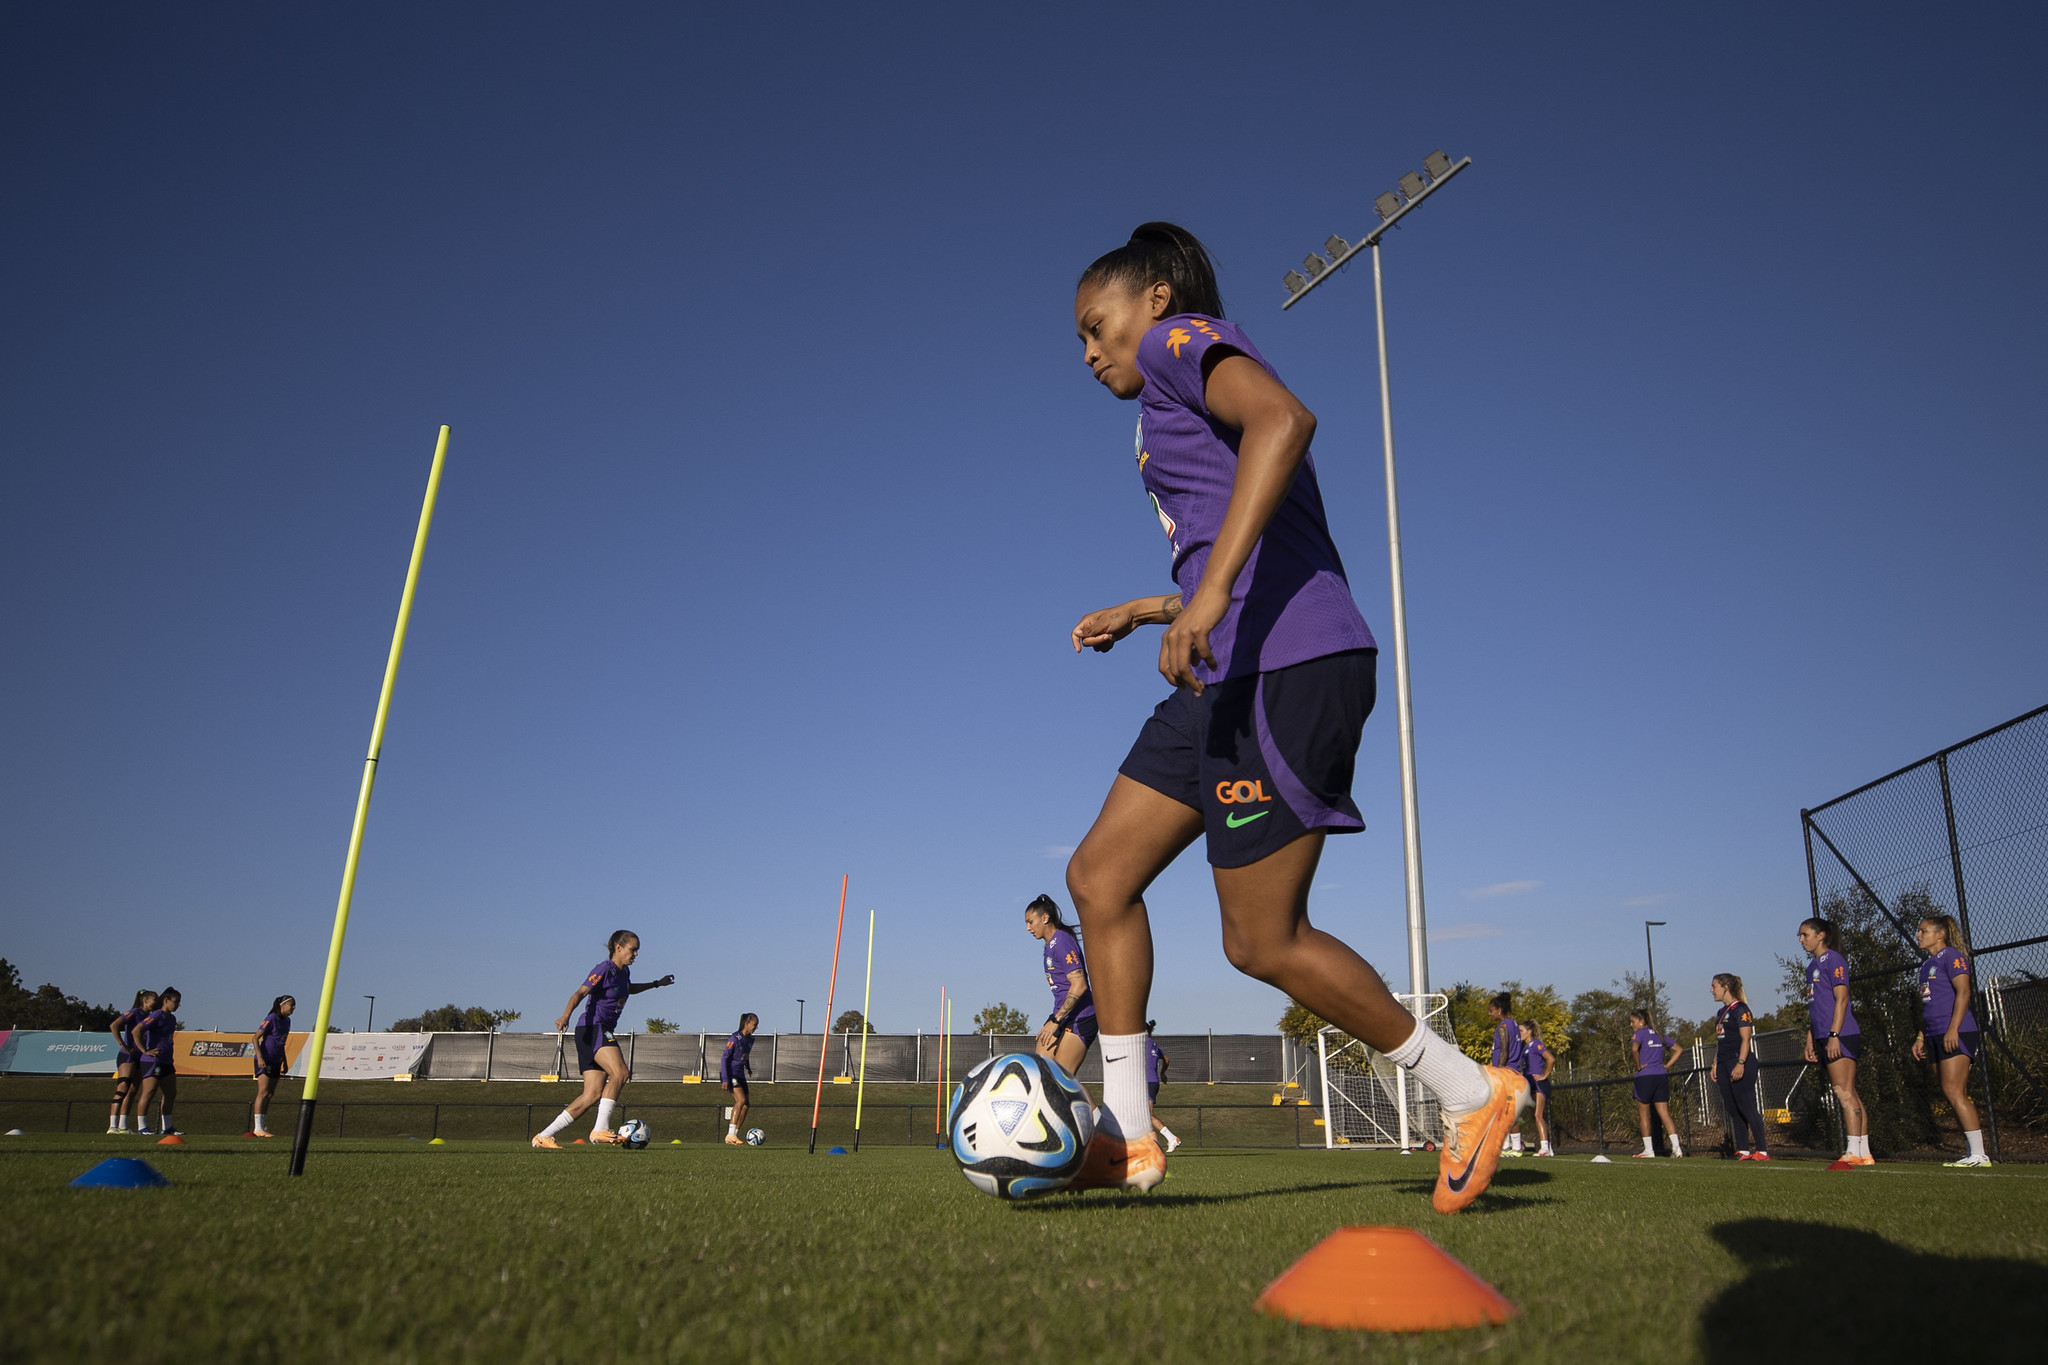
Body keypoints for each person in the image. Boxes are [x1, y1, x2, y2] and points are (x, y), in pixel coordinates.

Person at [1062, 223, 1526, 1211]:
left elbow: (1282, 421)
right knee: (1099, 877)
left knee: (1260, 941)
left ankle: (1468, 1089)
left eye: (1094, 326)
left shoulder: (1174, 344)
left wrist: (1202, 599)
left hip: (1291, 660)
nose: (1091, 352)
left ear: (1152, 297)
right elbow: (1237, 528)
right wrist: (1154, 605)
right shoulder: (1161, 397)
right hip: (1224, 670)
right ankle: (1128, 1137)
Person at [532, 931, 674, 1149]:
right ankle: (600, 1129)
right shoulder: (604, 969)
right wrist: (565, 1015)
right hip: (593, 1028)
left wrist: (656, 984)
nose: (635, 954)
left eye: (637, 950)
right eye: (632, 949)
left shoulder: (623, 973)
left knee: (592, 1094)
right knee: (621, 1073)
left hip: (592, 1032)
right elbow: (580, 992)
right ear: (618, 947)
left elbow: (629, 989)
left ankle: (543, 1135)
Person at [1910, 914, 1990, 1168]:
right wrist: (1921, 1036)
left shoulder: (1953, 956)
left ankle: (1979, 1155)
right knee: (1950, 1092)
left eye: (1923, 931)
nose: (1918, 935)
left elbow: (1964, 992)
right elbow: (1928, 1004)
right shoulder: (1926, 966)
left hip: (1955, 1031)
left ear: (1940, 934)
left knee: (1954, 1091)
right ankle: (1971, 1153)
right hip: (1933, 1034)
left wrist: (1953, 1029)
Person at [1799, 916, 1871, 1169]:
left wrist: (1833, 1035)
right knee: (1849, 1091)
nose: (1801, 940)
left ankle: (1853, 1150)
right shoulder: (1812, 967)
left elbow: (1841, 1000)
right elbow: (1817, 1006)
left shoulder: (1835, 960)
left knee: (1843, 1090)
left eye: (1805, 934)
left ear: (1821, 936)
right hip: (1822, 1035)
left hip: (1840, 1035)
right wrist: (1812, 1037)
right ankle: (1863, 1152)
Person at [1025, 894, 1096, 1077]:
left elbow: (1079, 985)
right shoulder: (1050, 945)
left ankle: (1093, 1108)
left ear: (1045, 917)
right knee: (1043, 1073)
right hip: (1062, 1013)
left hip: (1081, 1015)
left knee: (1062, 1079)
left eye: (1030, 922)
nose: (1028, 928)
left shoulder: (1062, 941)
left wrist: (1056, 1021)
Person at [1709, 974, 1769, 1162]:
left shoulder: (1741, 1009)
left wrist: (1740, 1063)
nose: (1711, 990)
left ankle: (1762, 1150)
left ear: (1725, 987)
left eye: (1714, 986)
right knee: (1733, 1107)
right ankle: (1743, 1150)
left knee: (1747, 1105)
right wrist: (1715, 1064)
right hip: (1724, 1064)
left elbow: (1746, 1039)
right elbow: (1722, 1043)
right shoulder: (1721, 1013)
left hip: (1739, 1062)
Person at [1629, 1008, 1683, 1158]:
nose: (1631, 1024)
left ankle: (1648, 1150)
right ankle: (1677, 1148)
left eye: (1632, 1021)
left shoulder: (1639, 1034)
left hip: (1645, 1077)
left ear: (1642, 1021)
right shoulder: (1659, 1034)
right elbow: (1679, 1050)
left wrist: (1638, 1065)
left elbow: (1634, 1049)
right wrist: (1667, 1065)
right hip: (1661, 1076)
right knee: (1665, 1113)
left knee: (1644, 1115)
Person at [132, 988, 182, 1137]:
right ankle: (142, 1127)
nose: (178, 1005)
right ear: (166, 1000)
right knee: (149, 1091)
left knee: (171, 1093)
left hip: (167, 1060)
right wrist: (144, 1050)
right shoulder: (156, 1015)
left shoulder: (172, 1018)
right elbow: (136, 1031)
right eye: (176, 1001)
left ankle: (166, 1127)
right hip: (153, 1061)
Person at [106, 989, 157, 1134]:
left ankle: (123, 1126)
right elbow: (114, 1025)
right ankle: (112, 1125)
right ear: (145, 1000)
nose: (156, 1001)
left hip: (139, 1056)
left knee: (132, 1091)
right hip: (127, 1055)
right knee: (122, 1088)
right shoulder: (134, 1012)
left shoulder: (150, 1016)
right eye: (154, 999)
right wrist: (124, 1045)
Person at [249, 995, 295, 1138]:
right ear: (282, 1005)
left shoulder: (287, 1021)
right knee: (262, 1092)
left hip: (276, 1060)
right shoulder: (271, 1018)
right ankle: (257, 1128)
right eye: (291, 1005)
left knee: (270, 1094)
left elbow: (282, 1043)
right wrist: (260, 1057)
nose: (293, 1008)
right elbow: (255, 1038)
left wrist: (284, 1061)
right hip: (265, 1059)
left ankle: (263, 1125)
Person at [1488, 994, 1526, 1156]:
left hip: (1506, 1073)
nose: (1489, 1014)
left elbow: (1504, 1051)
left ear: (1499, 1010)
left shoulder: (1503, 1027)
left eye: (1491, 1011)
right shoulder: (1514, 1024)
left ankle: (1514, 1148)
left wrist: (1499, 1071)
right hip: (1514, 1071)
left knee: (1506, 1111)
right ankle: (1508, 1147)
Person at [721, 1012, 758, 1146]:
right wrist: (725, 1078)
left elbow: (745, 1055)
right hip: (731, 1074)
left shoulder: (751, 1039)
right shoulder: (734, 1038)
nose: (756, 1027)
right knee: (740, 1100)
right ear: (747, 1023)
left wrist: (747, 1067)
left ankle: (733, 1135)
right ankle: (730, 1134)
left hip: (740, 1074)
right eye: (754, 1024)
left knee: (746, 1104)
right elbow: (725, 1058)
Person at [1144, 1020, 1181, 1153]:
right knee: (1141, 1115)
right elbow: (1167, 1059)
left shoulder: (1140, 1043)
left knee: (1147, 1115)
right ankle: (1150, 1144)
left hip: (1147, 1082)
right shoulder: (1153, 1044)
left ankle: (1171, 1138)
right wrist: (1162, 1073)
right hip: (1152, 1081)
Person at [1520, 1020, 1554, 1156]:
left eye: (1521, 1031)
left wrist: (1544, 1075)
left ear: (1529, 1032)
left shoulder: (1536, 1044)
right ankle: (1548, 1147)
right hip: (1531, 1085)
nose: (1519, 1033)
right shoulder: (1525, 1047)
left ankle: (1545, 1148)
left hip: (1539, 1084)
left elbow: (1551, 1059)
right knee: (1536, 1116)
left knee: (1538, 1115)